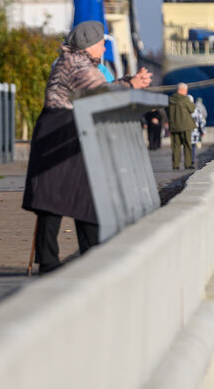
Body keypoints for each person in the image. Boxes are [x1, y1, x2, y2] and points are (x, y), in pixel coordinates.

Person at [22, 20, 152, 274]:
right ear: (90, 45)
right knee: (58, 196)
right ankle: (56, 259)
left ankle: (81, 254)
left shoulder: (77, 62)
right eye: (102, 44)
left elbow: (102, 89)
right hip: (62, 130)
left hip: (70, 129)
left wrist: (129, 82)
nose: (104, 49)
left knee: (76, 193)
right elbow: (100, 94)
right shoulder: (76, 64)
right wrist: (131, 85)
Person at [168, 83, 196, 170]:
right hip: (185, 125)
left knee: (175, 146)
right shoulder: (185, 99)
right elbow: (192, 109)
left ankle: (175, 165)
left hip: (174, 126)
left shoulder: (170, 99)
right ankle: (188, 164)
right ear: (183, 90)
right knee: (187, 145)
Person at [191, 96, 207, 162]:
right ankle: (199, 143)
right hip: (196, 127)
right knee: (194, 142)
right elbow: (205, 114)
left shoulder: (193, 107)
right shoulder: (202, 107)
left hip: (189, 129)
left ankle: (190, 160)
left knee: (189, 146)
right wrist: (203, 131)